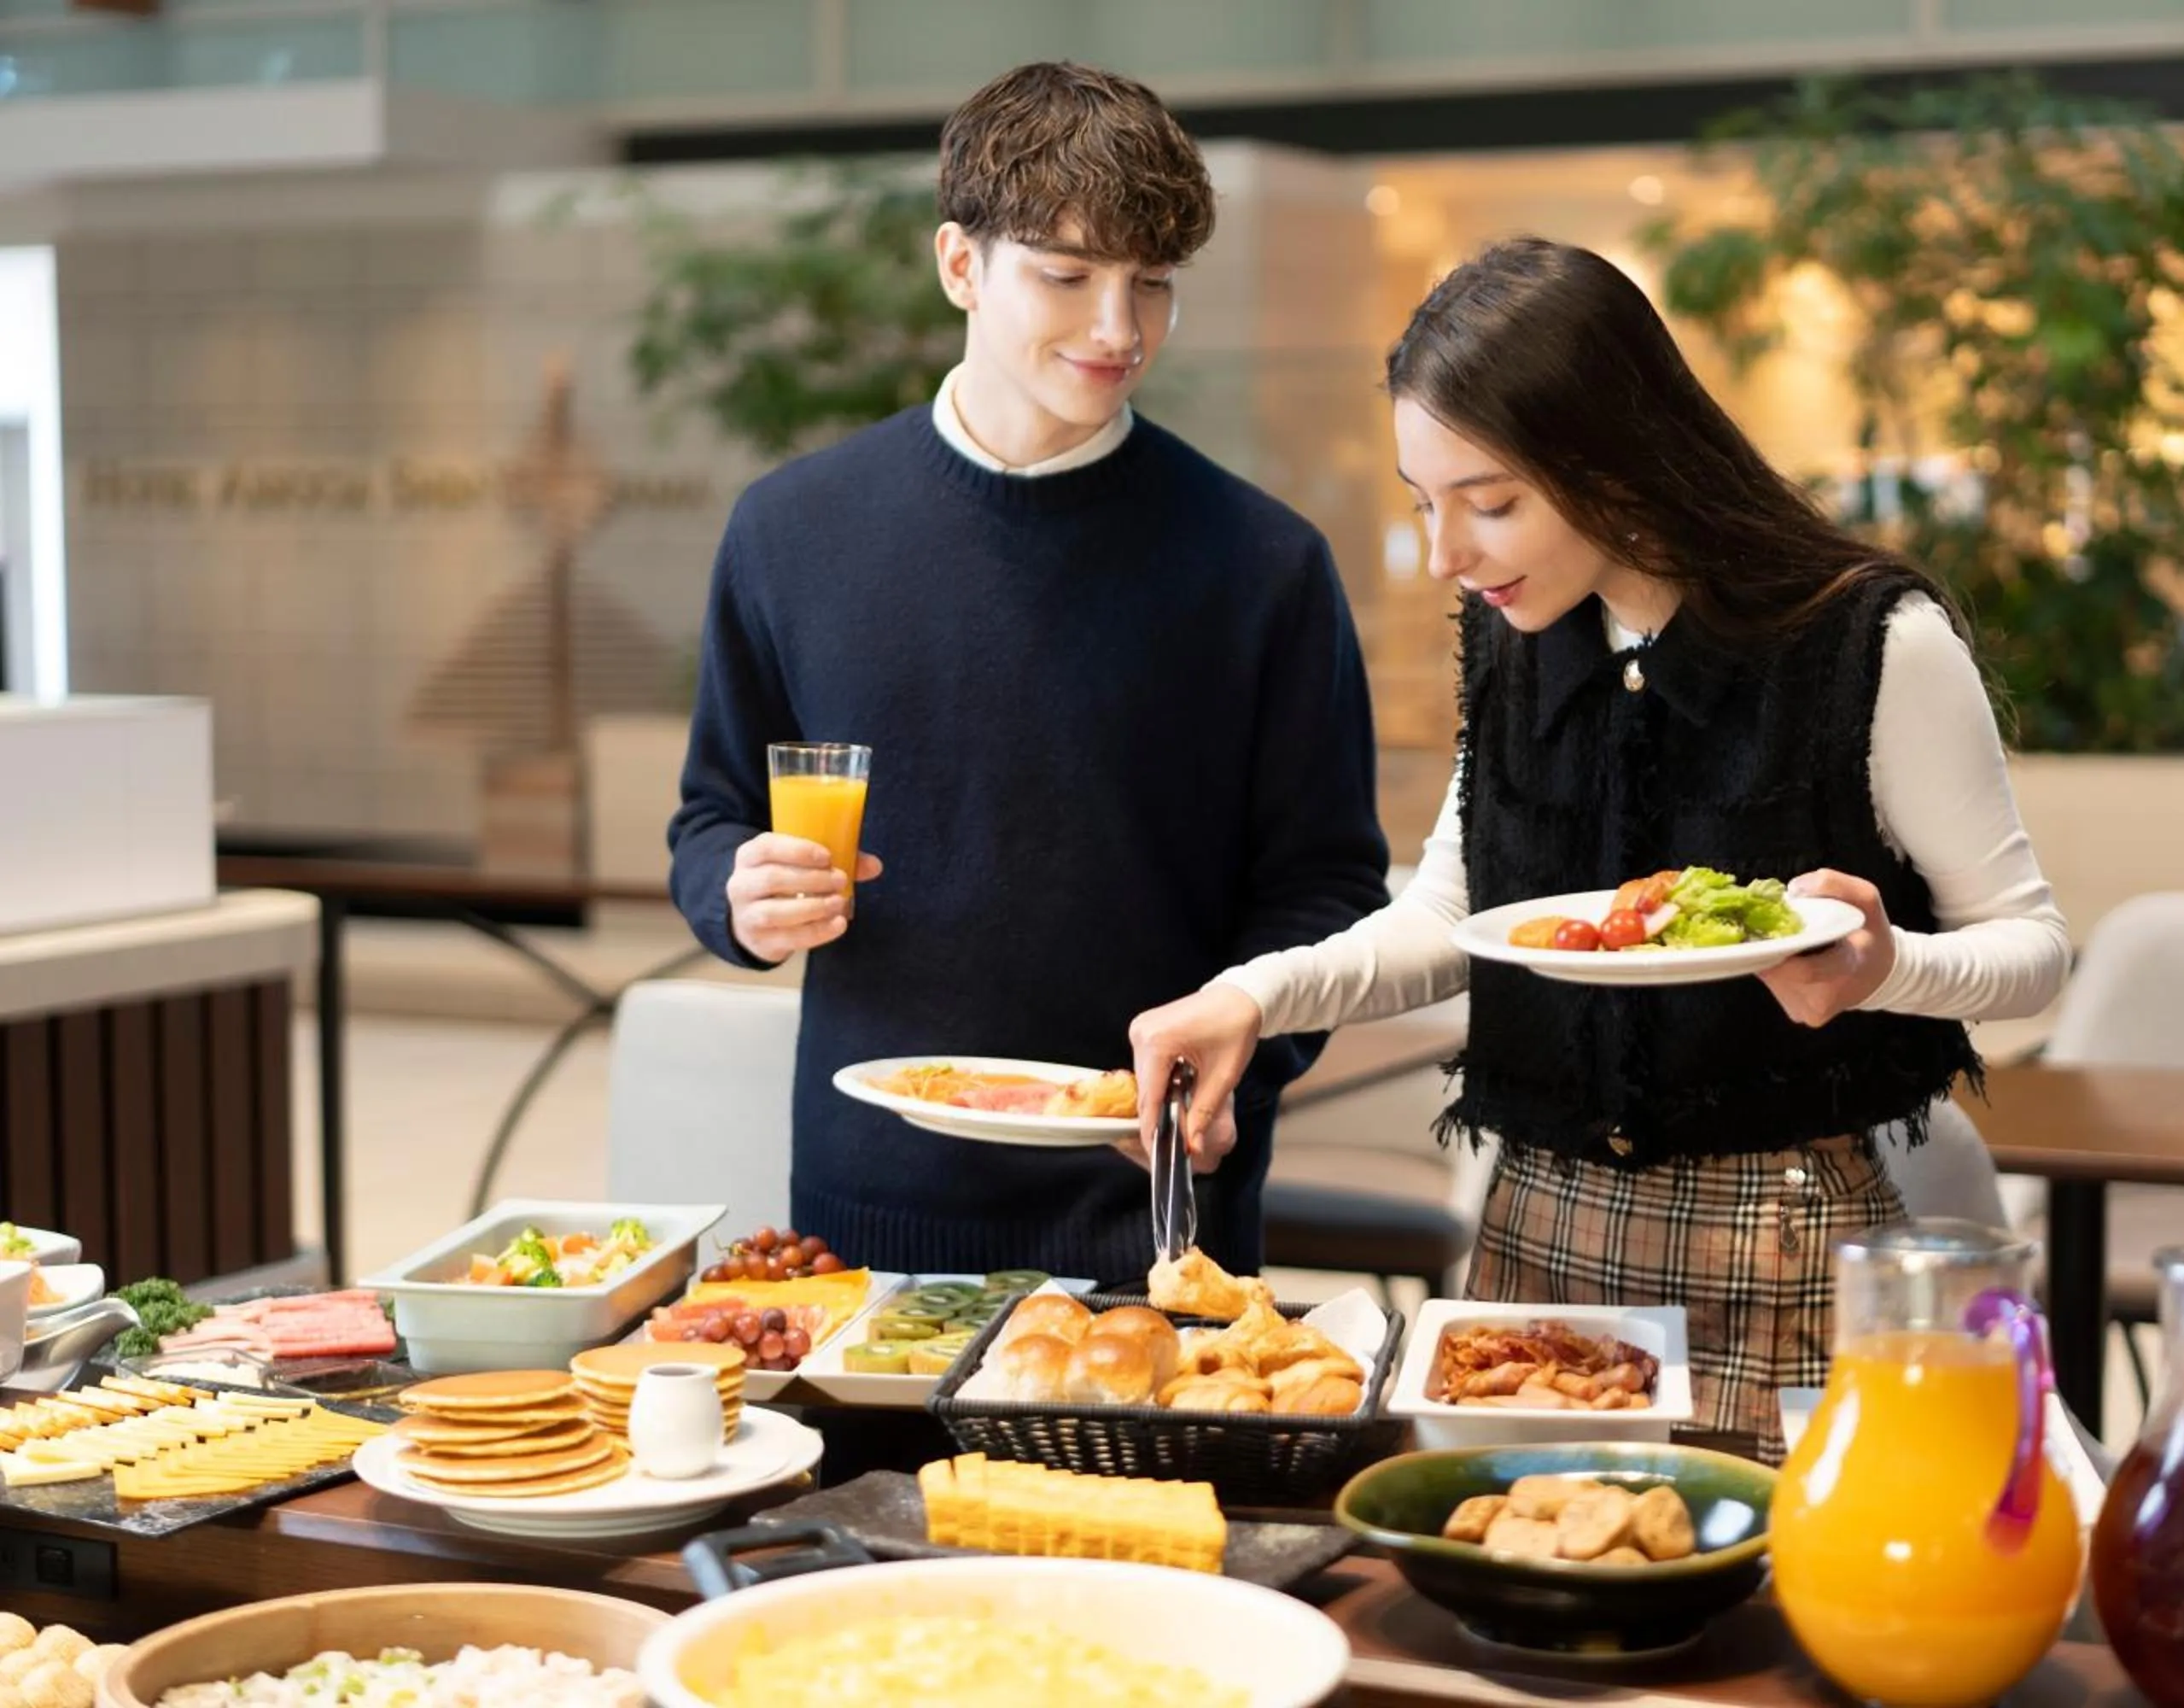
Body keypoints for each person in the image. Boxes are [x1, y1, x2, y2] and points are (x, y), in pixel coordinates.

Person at [1127, 237, 2070, 1462]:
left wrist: (1886, 970)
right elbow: (1449, 921)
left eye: (1492, 502)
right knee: (1518, 1582)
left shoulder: (1869, 645)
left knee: (1757, 1616)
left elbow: (2034, 948)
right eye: (1426, 503)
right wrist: (1252, 996)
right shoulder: (1521, 646)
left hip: (1781, 1240)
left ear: (1614, 460)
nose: (1449, 555)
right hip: (1541, 1234)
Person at [669, 61, 1390, 1284]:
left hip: (1156, 1212)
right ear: (960, 265)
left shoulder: (1263, 563)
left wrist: (1243, 1059)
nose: (1120, 330)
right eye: (1068, 276)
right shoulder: (793, 529)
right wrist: (734, 896)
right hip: (870, 1202)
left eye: (1151, 285)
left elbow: (1325, 888)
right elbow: (712, 815)